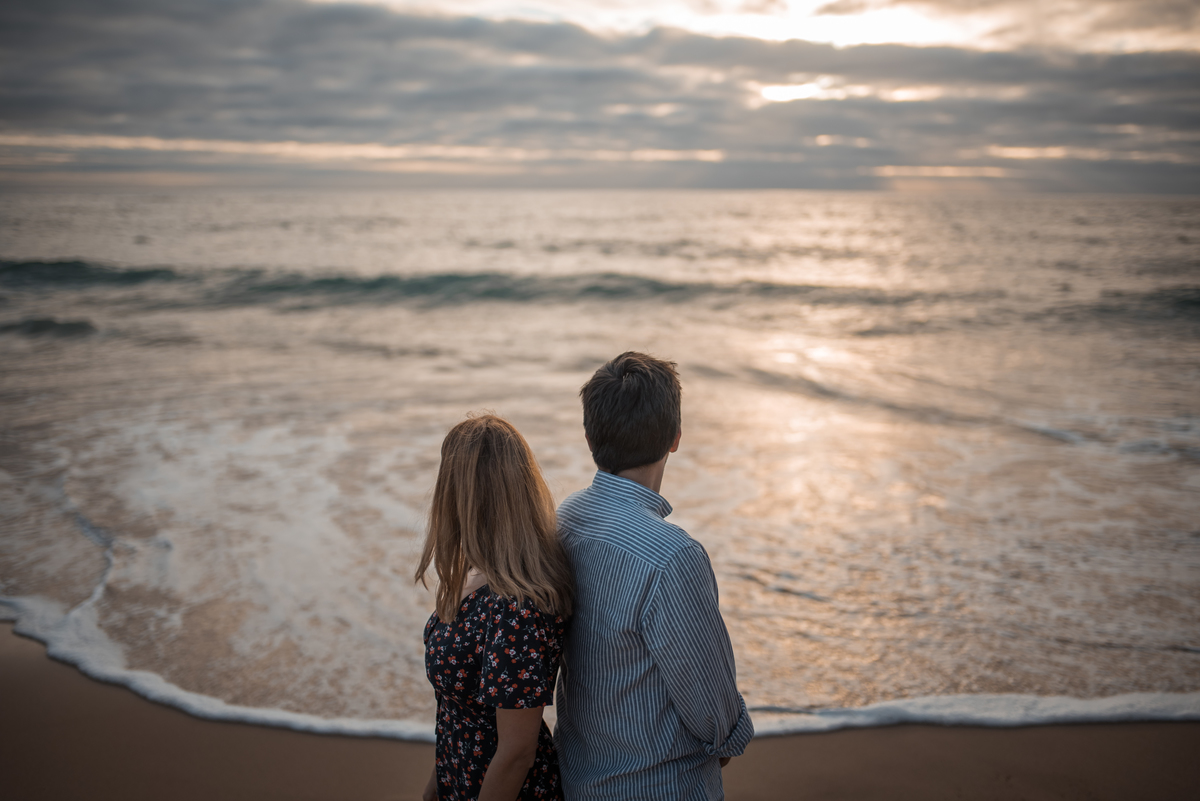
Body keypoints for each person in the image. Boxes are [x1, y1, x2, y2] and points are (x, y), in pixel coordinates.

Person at [554, 351, 753, 799]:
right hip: (660, 787)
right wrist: (727, 738)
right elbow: (714, 717)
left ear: (588, 437)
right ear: (675, 437)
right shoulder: (673, 556)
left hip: (578, 781)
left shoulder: (566, 519)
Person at [416, 414, 573, 801]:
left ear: (463, 494)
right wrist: (435, 786)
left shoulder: (516, 609)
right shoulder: (477, 577)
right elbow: (457, 713)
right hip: (458, 782)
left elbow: (517, 752)